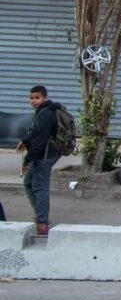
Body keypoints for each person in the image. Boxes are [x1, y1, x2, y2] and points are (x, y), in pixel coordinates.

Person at [16, 85, 62, 236]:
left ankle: (42, 224)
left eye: (37, 98)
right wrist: (26, 141)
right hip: (45, 153)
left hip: (45, 155)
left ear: (44, 98)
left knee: (40, 187)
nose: (34, 101)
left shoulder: (46, 114)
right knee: (29, 183)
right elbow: (36, 134)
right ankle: (40, 215)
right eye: (31, 98)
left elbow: (41, 140)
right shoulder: (43, 111)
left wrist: (27, 161)